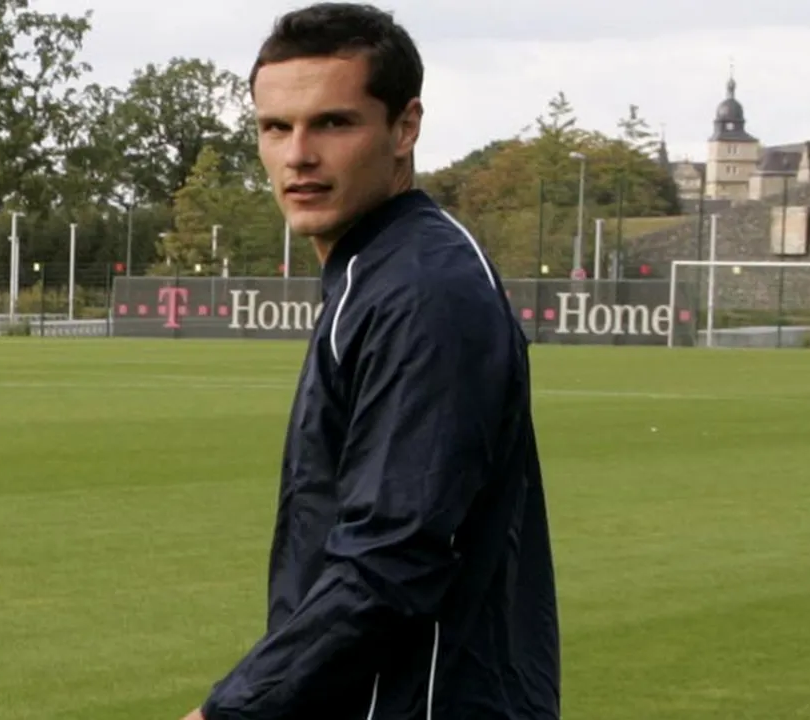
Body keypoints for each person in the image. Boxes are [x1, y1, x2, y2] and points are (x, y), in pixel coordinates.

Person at [180, 3, 560, 719]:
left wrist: (232, 710)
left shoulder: (423, 293)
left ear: (404, 128)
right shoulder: (380, 275)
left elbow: (392, 559)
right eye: (275, 128)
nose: (298, 156)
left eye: (333, 122)